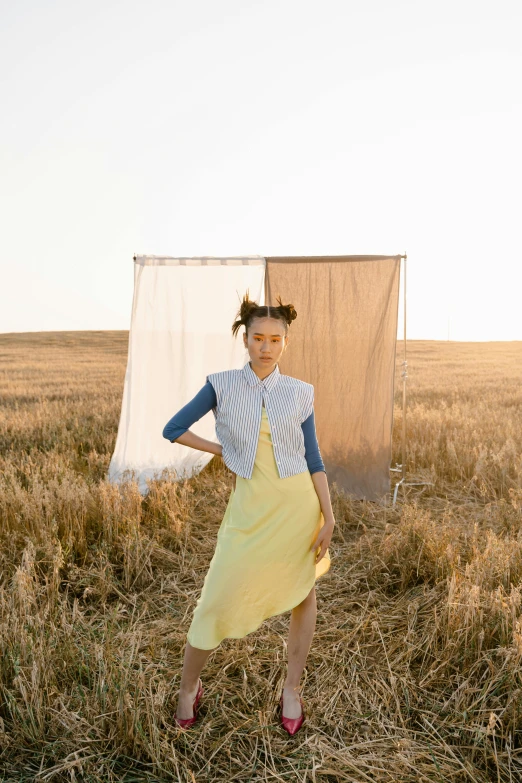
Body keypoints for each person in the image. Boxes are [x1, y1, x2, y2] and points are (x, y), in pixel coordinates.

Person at [162, 292, 335, 735]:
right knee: (215, 599)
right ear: (245, 338)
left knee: (302, 594)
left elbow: (313, 459)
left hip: (299, 509)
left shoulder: (300, 393)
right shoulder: (221, 384)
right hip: (249, 511)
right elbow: (174, 429)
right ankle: (188, 688)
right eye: (258, 337)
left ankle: (291, 690)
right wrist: (221, 449)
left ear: (285, 343)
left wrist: (329, 516)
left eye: (275, 339)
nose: (266, 347)